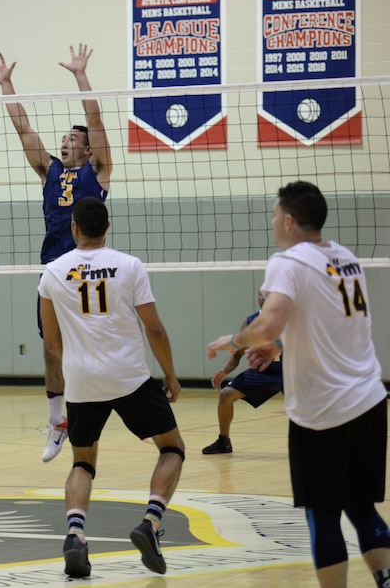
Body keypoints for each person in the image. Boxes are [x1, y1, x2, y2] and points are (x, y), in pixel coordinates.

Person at [208, 181, 390, 588]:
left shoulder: (287, 261)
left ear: (289, 221)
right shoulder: (345, 258)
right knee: (361, 507)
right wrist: (277, 345)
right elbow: (322, 321)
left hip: (324, 410)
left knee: (322, 513)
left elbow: (269, 321)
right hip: (370, 399)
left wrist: (234, 340)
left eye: (275, 214)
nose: (273, 221)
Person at [38, 197, 183, 578]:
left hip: (82, 381)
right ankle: (150, 522)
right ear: (108, 226)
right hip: (130, 376)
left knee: (83, 461)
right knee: (173, 448)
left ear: (73, 227)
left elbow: (51, 342)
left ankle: (75, 535)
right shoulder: (129, 265)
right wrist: (170, 373)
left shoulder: (53, 272)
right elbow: (154, 327)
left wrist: (74, 367)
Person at [0, 44, 111, 463]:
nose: (65, 142)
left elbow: (95, 119)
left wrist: (80, 76)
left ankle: (104, 410)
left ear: (88, 149)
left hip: (93, 268)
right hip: (54, 269)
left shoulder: (99, 171)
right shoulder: (49, 170)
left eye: (73, 140)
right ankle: (58, 421)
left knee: (94, 345)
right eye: (64, 139)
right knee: (51, 347)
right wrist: (7, 85)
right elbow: (23, 129)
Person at [202, 296, 284, 455]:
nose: (266, 298)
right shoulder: (250, 322)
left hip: (290, 372)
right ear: (259, 298)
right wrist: (224, 371)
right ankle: (223, 442)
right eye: (263, 295)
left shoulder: (288, 317)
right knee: (226, 394)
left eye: (270, 295)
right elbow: (236, 353)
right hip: (263, 372)